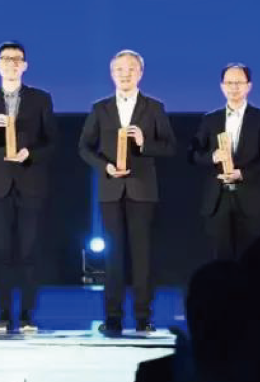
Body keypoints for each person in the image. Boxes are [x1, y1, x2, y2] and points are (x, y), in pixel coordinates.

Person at [79, 49, 176, 334]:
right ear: (112, 74)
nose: (125, 74)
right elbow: (84, 147)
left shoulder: (154, 107)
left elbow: (169, 147)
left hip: (142, 189)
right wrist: (105, 167)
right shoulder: (100, 108)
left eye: (131, 69)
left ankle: (144, 317)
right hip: (111, 189)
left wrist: (145, 143)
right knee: (114, 257)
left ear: (140, 73)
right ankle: (113, 317)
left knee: (142, 256)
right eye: (119, 69)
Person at [0, 41, 58, 333]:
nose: (11, 63)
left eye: (17, 59)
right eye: (6, 59)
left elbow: (52, 143)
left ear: (25, 65)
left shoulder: (41, 99)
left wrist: (30, 153)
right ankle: (4, 314)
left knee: (30, 251)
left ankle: (28, 314)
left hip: (31, 182)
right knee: (2, 251)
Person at [188, 63, 260, 260]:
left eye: (239, 82)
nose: (234, 87)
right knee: (221, 259)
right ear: (222, 86)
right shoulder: (210, 119)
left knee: (252, 257)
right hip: (218, 199)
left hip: (250, 198)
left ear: (249, 86)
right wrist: (212, 157)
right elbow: (193, 154)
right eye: (229, 83)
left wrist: (242, 173)